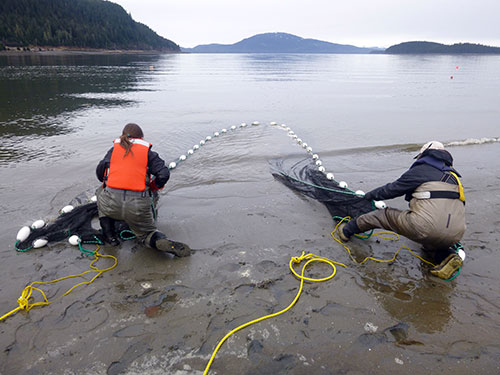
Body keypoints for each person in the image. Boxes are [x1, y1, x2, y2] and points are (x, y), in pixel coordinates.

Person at [337, 141, 465, 279]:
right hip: (456, 233)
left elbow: (392, 189)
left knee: (382, 215)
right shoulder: (454, 178)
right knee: (430, 243)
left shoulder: (423, 169)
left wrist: (370, 195)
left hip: (426, 226)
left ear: (424, 155)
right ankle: (447, 255)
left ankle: (346, 231)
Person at [95, 123, 190, 257]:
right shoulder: (149, 154)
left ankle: (110, 237)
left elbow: (100, 171)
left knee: (100, 192)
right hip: (137, 207)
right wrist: (152, 187)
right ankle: (158, 241)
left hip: (111, 205)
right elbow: (164, 174)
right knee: (146, 235)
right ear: (141, 138)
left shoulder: (113, 150)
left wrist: (107, 183)